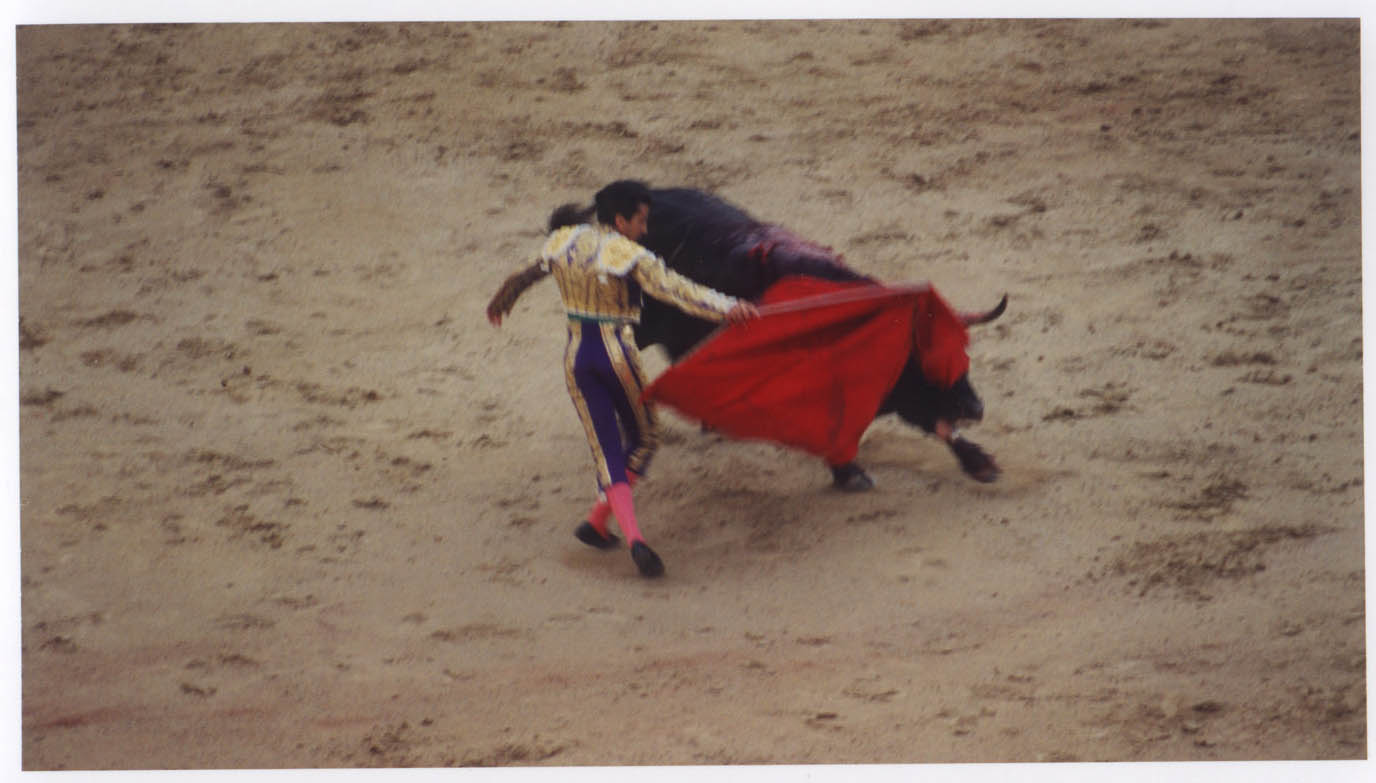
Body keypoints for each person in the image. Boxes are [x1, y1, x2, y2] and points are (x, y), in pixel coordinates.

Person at [486, 180, 758, 577]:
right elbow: (679, 291)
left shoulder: (565, 241)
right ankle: (633, 539)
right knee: (644, 439)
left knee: (606, 449)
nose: (645, 230)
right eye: (641, 221)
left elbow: (526, 273)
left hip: (577, 358)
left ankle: (598, 524)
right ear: (620, 220)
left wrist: (501, 302)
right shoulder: (630, 254)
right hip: (616, 356)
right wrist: (729, 308)